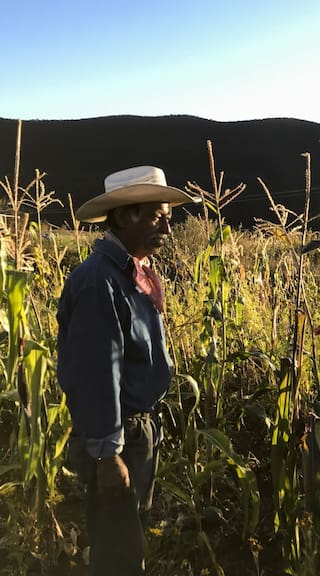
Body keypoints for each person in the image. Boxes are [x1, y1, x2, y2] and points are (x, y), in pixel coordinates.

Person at [57, 166, 200, 575]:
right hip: (117, 440)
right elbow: (96, 373)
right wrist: (108, 455)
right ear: (123, 217)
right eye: (158, 217)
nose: (168, 231)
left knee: (127, 535)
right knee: (119, 552)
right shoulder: (98, 283)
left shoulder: (130, 276)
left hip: (136, 433)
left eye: (167, 219)